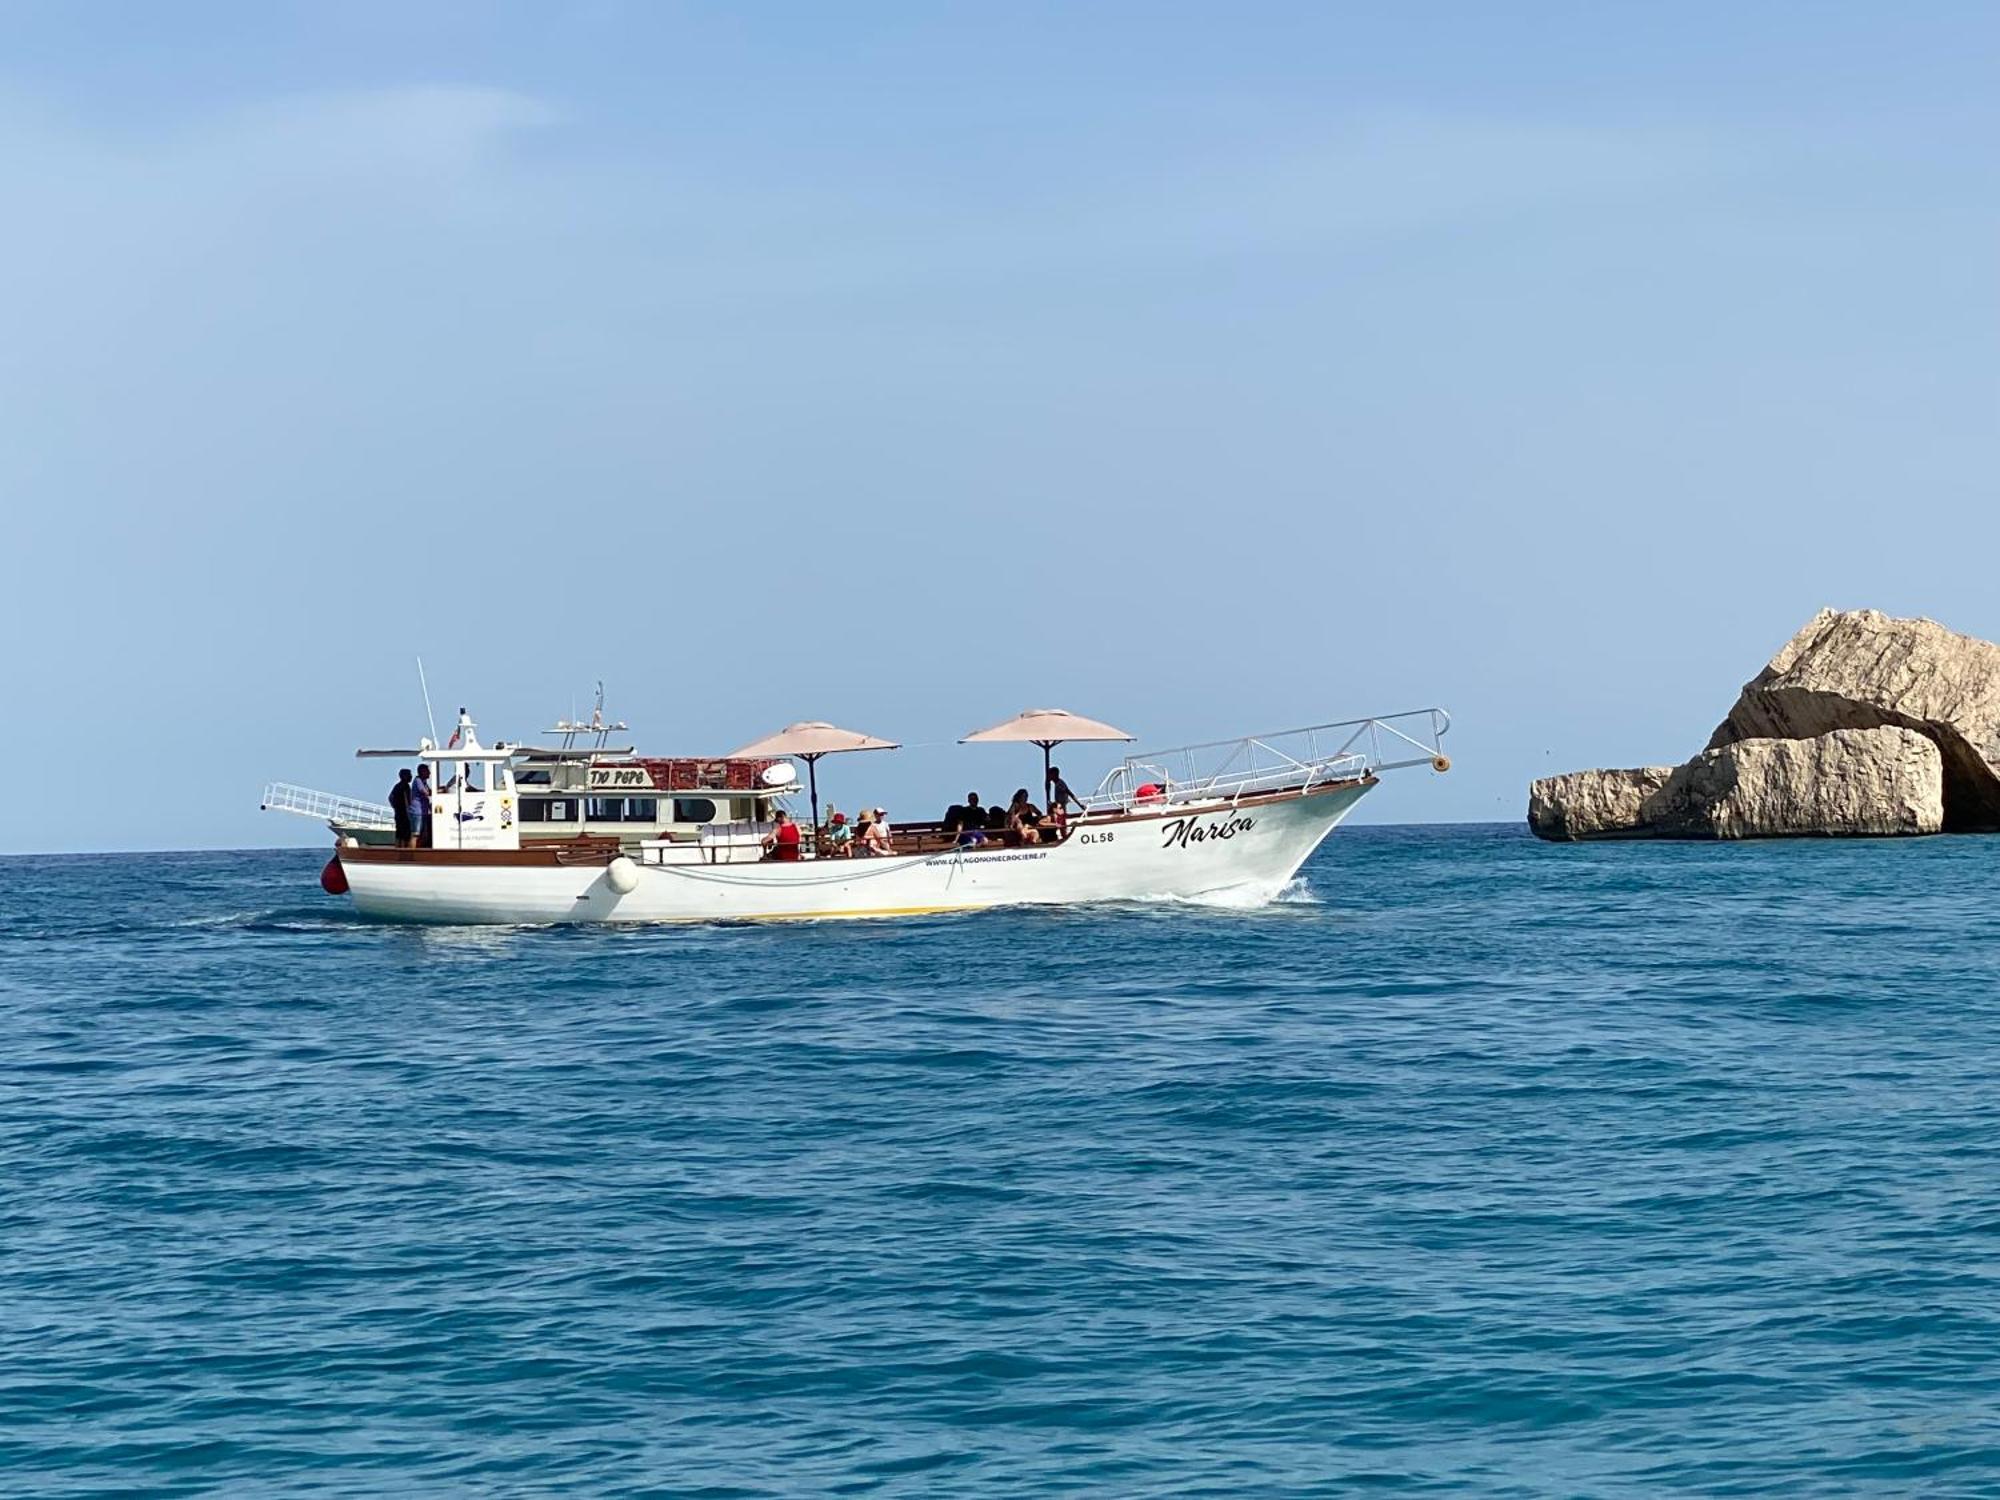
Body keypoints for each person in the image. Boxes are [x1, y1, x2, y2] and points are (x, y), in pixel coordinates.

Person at [388, 768, 415, 847]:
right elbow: (407, 801)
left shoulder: (397, 786)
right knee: (405, 833)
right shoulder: (404, 787)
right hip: (404, 814)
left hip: (398, 813)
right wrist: (408, 811)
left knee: (399, 833)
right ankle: (403, 851)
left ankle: (398, 848)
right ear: (404, 776)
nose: (411, 777)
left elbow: (390, 798)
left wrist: (395, 807)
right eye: (409, 775)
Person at [411, 764, 434, 846]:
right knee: (416, 834)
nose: (429, 773)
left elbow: (430, 791)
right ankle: (411, 854)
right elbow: (425, 792)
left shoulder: (424, 782)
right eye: (427, 771)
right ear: (422, 772)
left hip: (423, 812)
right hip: (418, 812)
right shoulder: (418, 780)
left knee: (423, 835)